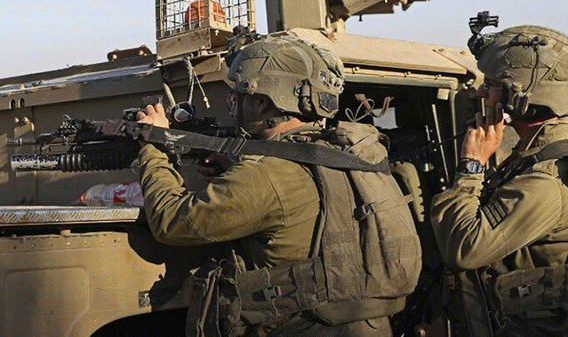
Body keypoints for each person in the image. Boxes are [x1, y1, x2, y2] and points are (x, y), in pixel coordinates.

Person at [136, 34, 415, 337]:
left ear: (261, 102)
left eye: (238, 97)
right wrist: (235, 172)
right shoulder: (350, 156)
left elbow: (172, 221)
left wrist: (154, 146)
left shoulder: (266, 174)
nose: (233, 106)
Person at [430, 25, 568, 337]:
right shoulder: (547, 154)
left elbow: (463, 249)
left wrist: (472, 165)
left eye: (492, 85)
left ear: (523, 98)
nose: (482, 93)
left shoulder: (547, 180)